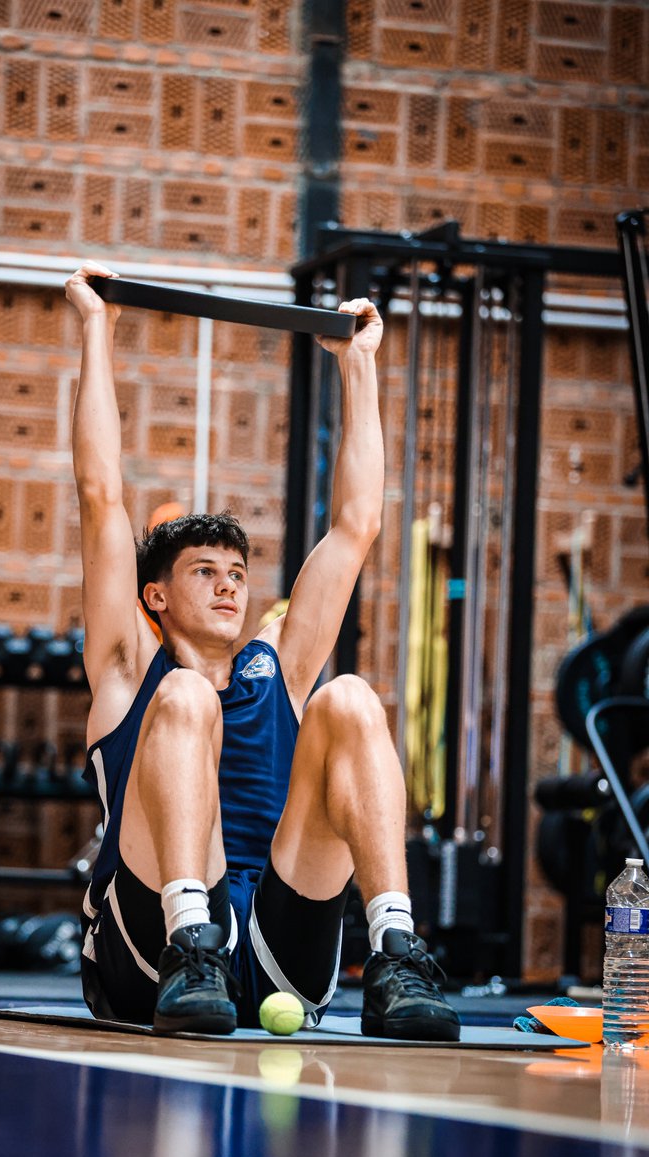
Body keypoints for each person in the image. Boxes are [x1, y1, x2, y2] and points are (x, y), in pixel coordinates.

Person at [65, 260, 459, 1041]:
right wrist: (95, 330)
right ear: (156, 597)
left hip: (277, 947)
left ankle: (397, 951)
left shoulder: (276, 667)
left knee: (347, 698)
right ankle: (191, 936)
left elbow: (356, 525)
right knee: (186, 697)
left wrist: (360, 367)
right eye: (204, 573)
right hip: (151, 957)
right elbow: (100, 493)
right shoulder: (126, 672)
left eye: (237, 574)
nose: (227, 588)